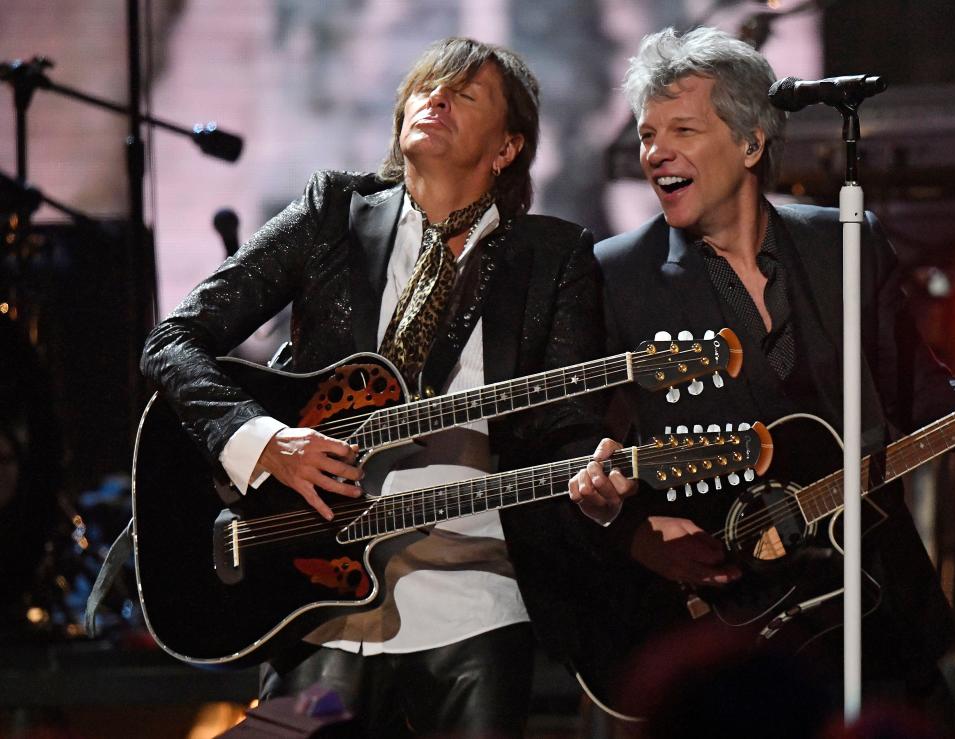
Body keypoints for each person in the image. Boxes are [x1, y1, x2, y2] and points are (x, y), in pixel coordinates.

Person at [567, 26, 955, 728]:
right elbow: (570, 446)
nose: (656, 152)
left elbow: (917, 394)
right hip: (730, 628)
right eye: (649, 134)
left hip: (871, 604)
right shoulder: (617, 275)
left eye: (682, 128)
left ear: (751, 143)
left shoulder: (845, 242)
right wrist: (635, 532)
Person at [142, 37, 609, 737]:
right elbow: (171, 341)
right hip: (315, 603)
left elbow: (567, 427)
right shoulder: (334, 213)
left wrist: (596, 485)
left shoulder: (552, 255)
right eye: (426, 87)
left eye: (465, 93)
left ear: (508, 148)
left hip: (476, 603)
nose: (437, 99)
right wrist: (265, 442)